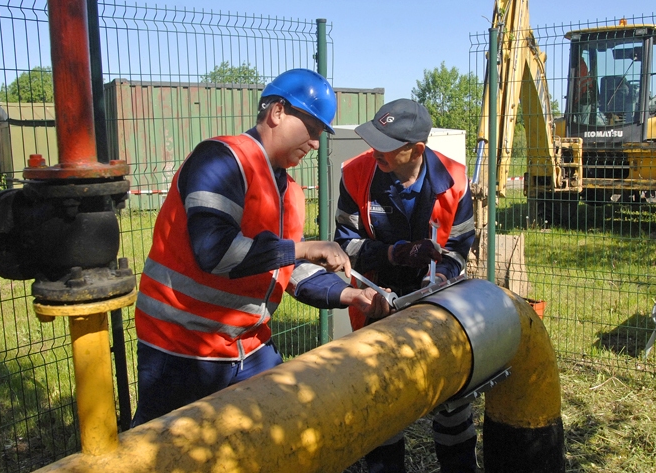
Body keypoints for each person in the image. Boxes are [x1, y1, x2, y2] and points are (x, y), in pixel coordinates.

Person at [131, 68, 390, 427]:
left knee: (285, 431)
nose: (316, 144)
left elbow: (289, 269)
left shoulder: (292, 192)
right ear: (278, 112)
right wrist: (302, 249)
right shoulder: (221, 160)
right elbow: (216, 253)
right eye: (312, 130)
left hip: (247, 346)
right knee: (160, 454)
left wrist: (351, 297)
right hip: (180, 348)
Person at [334, 99, 477, 473]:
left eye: (385, 145)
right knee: (382, 399)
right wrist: (395, 254)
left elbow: (460, 245)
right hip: (376, 304)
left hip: (439, 305)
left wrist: (442, 277)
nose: (373, 151)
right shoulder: (355, 175)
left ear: (415, 150)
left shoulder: (456, 179)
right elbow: (345, 245)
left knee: (452, 397)